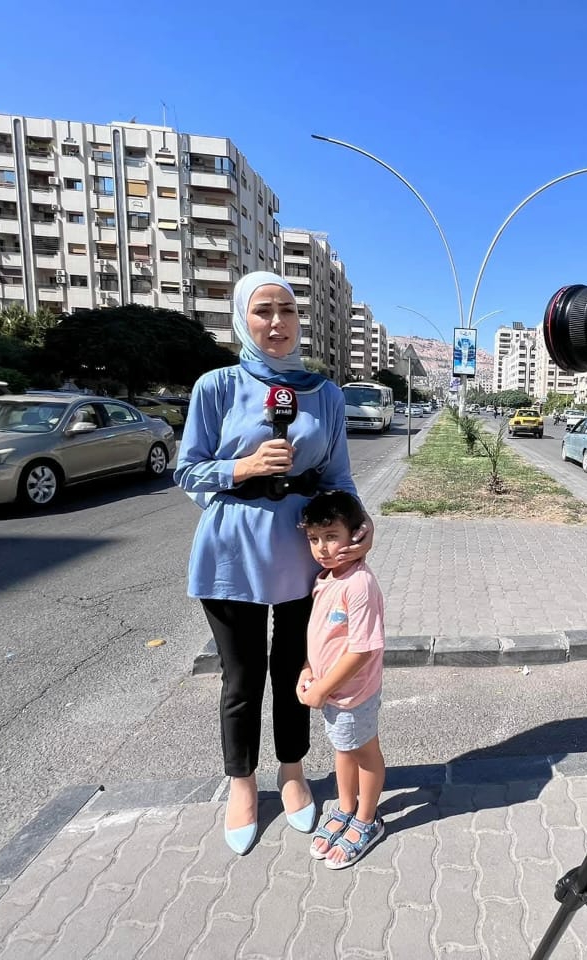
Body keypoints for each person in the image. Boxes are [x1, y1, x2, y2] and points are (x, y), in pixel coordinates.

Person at [175, 270, 374, 856]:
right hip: (230, 553)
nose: (277, 322)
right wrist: (243, 467)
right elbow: (187, 471)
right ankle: (241, 783)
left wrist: (360, 525)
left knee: (295, 670)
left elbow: (338, 476)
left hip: (302, 555)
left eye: (287, 310)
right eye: (263, 310)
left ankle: (292, 771)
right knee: (241, 679)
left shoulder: (324, 393)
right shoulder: (216, 386)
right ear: (243, 319)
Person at [297, 490, 387, 869]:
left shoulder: (358, 585)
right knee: (343, 748)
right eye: (314, 538)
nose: (322, 548)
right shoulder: (327, 578)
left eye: (331, 536)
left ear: (356, 534)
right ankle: (346, 807)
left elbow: (362, 650)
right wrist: (308, 669)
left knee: (365, 754)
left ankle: (367, 819)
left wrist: (323, 687)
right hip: (334, 693)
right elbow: (320, 636)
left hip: (353, 694)